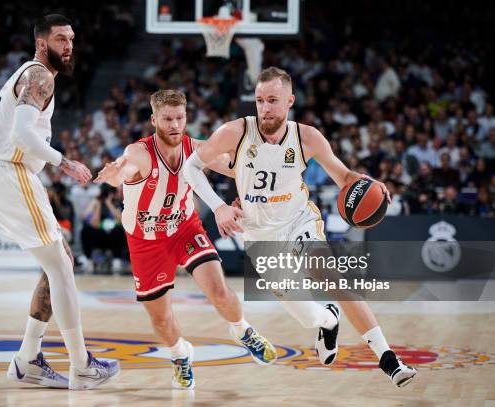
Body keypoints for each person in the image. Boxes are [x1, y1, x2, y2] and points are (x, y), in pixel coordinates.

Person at [184, 67, 417, 388]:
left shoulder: (307, 138)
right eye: (260, 100)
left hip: (299, 222)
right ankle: (328, 320)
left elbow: (344, 176)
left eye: (273, 100)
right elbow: (191, 166)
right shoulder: (234, 132)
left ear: (289, 101)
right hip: (259, 235)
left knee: (333, 277)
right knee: (305, 314)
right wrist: (220, 206)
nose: (265, 107)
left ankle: (388, 358)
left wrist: (370, 182)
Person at [94, 89, 276, 389]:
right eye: (167, 119)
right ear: (154, 120)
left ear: (186, 117)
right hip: (145, 240)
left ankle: (242, 330)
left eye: (180, 118)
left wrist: (264, 173)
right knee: (161, 320)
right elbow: (121, 172)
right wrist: (114, 174)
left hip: (184, 228)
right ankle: (180, 353)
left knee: (219, 291)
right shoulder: (139, 152)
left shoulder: (197, 149)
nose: (175, 125)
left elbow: (237, 170)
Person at [0, 14, 119, 391]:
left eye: (71, 38)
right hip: (9, 173)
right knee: (61, 268)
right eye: (60, 39)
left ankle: (28, 359)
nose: (68, 45)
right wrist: (65, 162)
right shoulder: (39, 75)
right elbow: (23, 134)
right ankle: (82, 365)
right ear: (43, 43)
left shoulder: (34, 74)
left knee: (60, 262)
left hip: (1, 175)